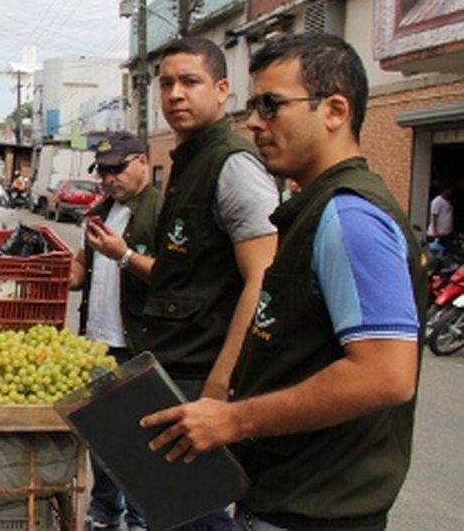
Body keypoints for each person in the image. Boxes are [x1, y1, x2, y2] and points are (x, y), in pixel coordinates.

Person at [142, 33, 424, 531]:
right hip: (283, 497)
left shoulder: (349, 216)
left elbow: (385, 374)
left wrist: (235, 418)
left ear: (334, 110)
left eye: (271, 105)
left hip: (315, 511)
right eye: (253, 107)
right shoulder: (315, 208)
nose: (254, 122)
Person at [90, 37, 279, 530]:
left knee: (194, 512)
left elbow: (264, 278)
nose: (175, 93)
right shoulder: (189, 160)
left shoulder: (232, 164)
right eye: (167, 83)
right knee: (167, 507)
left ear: (222, 90)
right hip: (174, 364)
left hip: (203, 373)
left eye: (190, 81)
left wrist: (219, 386)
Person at [69, 131, 161, 531]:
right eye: (102, 171)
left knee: (142, 444)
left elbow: (177, 279)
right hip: (97, 345)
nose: (108, 179)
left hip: (137, 345)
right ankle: (105, 511)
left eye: (116, 169)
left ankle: (141, 519)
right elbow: (80, 269)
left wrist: (124, 256)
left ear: (142, 161)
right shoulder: (103, 210)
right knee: (103, 439)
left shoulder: (161, 210)